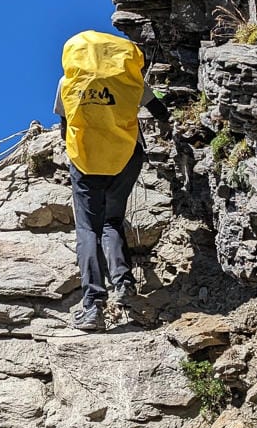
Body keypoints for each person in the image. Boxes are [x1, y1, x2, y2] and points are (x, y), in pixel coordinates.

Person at [55, 31, 170, 331]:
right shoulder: (129, 81)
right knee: (112, 221)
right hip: (124, 159)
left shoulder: (68, 84)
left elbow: (65, 127)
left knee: (88, 229)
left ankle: (93, 304)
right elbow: (159, 110)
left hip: (86, 163)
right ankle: (125, 285)